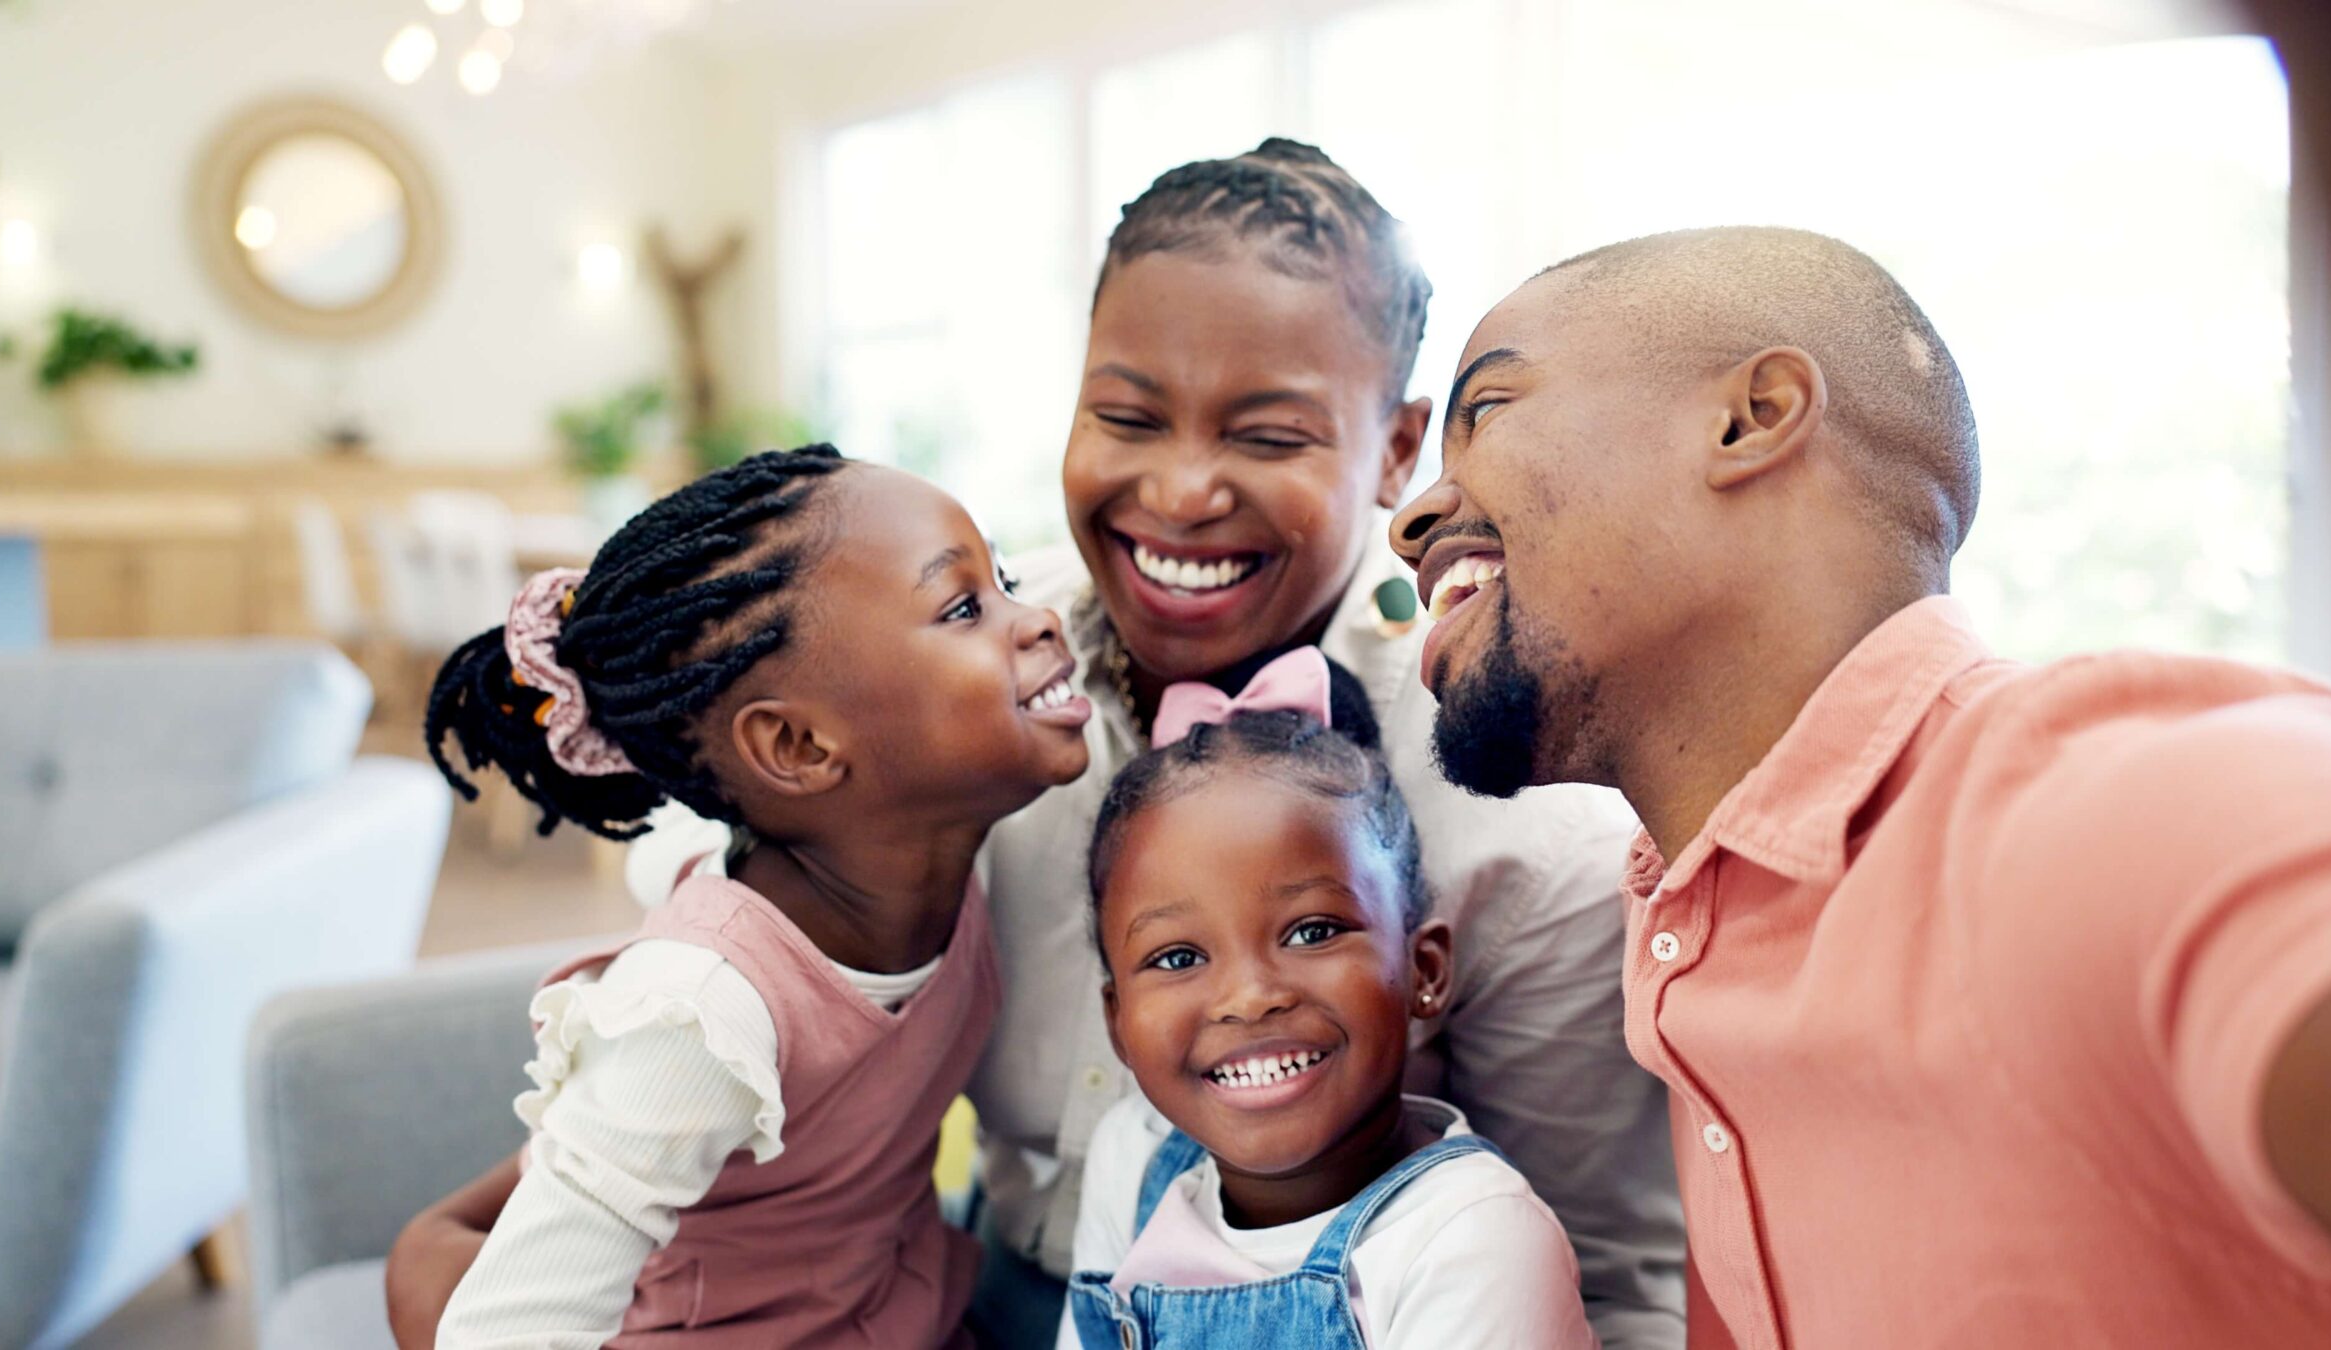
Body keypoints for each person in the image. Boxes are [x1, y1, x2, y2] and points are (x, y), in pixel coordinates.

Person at [389, 138, 1681, 1350]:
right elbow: (724, 927)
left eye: (1267, 433)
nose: (1179, 491)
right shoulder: (940, 714)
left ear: (1398, 447)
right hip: (982, 1292)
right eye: (1127, 416)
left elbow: (1612, 1275)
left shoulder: (1520, 812)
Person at [1387, 223, 2331, 1348]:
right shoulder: (1682, 927)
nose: (1412, 518)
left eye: (1484, 411)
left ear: (1752, 418)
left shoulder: (2119, 800)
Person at [414, 447, 1093, 1347]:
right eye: (964, 607)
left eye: (1003, 580)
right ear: (799, 748)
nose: (1041, 618)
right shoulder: (702, 1011)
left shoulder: (958, 868)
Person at [1057, 648, 1594, 1350]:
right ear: (1118, 1025)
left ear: (1424, 969)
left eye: (1312, 932)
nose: (1249, 998)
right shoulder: (1131, 1163)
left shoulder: (1472, 1239)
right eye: (1178, 956)